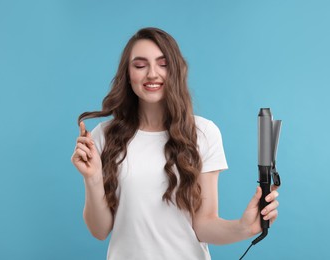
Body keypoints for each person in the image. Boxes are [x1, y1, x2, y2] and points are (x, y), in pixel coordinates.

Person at [71, 27, 279, 260]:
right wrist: (92, 178)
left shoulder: (203, 133)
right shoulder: (103, 136)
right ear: (127, 75)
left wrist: (243, 227)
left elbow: (204, 225)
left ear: (177, 70)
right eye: (140, 65)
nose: (152, 74)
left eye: (163, 64)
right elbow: (99, 230)